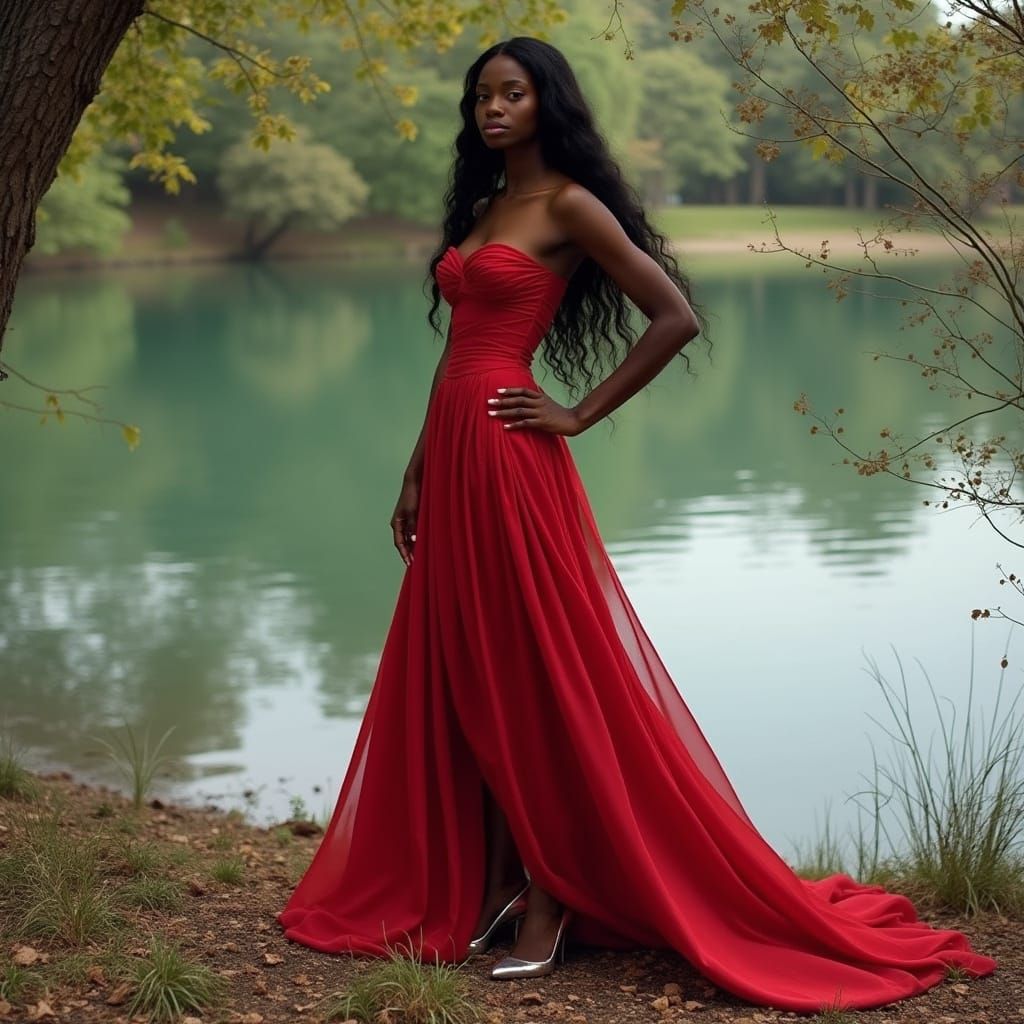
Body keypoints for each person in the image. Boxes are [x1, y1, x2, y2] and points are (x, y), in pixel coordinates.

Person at [277, 36, 997, 1011]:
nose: (492, 109)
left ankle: (551, 895)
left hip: (508, 459)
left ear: (546, 104)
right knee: (467, 668)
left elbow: (672, 316)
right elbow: (459, 356)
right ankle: (495, 883)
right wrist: (412, 475)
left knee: (528, 672)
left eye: (511, 94)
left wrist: (575, 412)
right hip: (455, 451)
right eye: (481, 96)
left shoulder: (571, 203)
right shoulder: (488, 205)